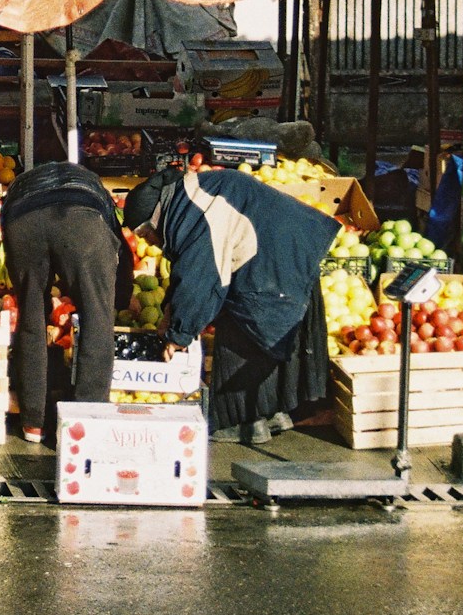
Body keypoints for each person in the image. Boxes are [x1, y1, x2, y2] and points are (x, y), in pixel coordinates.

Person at [122, 166, 338, 445]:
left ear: (155, 218)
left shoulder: (195, 212)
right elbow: (187, 269)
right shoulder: (188, 200)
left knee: (243, 322)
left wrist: (178, 335)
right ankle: (272, 412)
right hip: (288, 249)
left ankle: (241, 423)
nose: (149, 242)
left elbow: (200, 277)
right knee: (259, 322)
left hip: (274, 258)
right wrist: (170, 312)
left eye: (145, 234)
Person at [0, 161, 132, 444]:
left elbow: (8, 228)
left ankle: (33, 423)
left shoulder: (19, 185)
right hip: (80, 222)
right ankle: (87, 421)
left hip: (22, 220)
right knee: (97, 318)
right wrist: (118, 299)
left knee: (31, 317)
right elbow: (121, 249)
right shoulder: (93, 184)